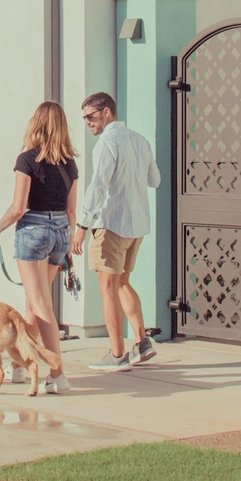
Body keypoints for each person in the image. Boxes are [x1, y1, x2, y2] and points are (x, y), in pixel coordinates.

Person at [0, 101, 77, 395]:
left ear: (34, 124)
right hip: (60, 232)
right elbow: (72, 211)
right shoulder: (70, 164)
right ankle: (20, 365)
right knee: (32, 306)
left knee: (41, 305)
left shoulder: (26, 160)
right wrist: (68, 243)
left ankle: (58, 373)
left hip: (34, 232)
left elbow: (18, 207)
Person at [72, 91, 161, 371]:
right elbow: (155, 180)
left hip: (110, 225)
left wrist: (82, 226)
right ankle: (142, 342)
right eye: (84, 118)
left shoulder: (107, 143)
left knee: (107, 290)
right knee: (122, 283)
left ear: (107, 111)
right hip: (136, 226)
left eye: (90, 116)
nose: (87, 122)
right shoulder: (140, 140)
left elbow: (97, 187)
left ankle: (117, 354)